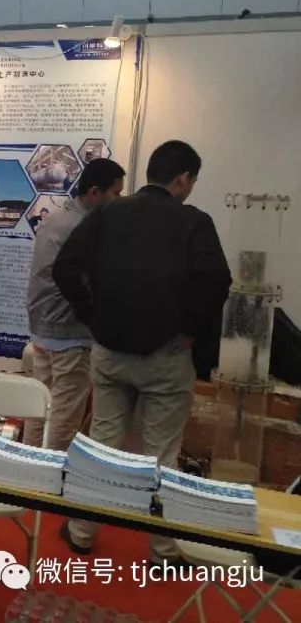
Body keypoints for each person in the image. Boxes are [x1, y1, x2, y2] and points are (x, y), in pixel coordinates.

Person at [52, 140, 231, 565]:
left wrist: (92, 315)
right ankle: (163, 550)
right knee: (162, 454)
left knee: (102, 447)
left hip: (109, 353)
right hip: (165, 358)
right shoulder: (194, 222)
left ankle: (81, 532)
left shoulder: (108, 213)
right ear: (183, 179)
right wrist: (190, 331)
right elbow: (216, 281)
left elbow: (64, 268)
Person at [23, 158, 126, 451]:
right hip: (69, 332)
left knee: (39, 406)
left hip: (42, 329)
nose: (120, 200)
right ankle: (51, 474)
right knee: (65, 415)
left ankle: (27, 467)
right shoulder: (84, 227)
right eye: (116, 193)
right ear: (94, 192)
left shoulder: (57, 217)